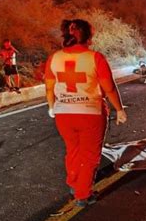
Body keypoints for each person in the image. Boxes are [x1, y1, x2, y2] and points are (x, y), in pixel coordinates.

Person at [45, 19, 128, 207]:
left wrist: (51, 107)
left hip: (63, 114)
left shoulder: (55, 57)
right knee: (90, 155)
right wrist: (120, 110)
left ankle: (74, 184)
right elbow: (109, 88)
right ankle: (83, 195)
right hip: (90, 113)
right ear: (88, 36)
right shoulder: (95, 58)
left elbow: (49, 88)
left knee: (73, 151)